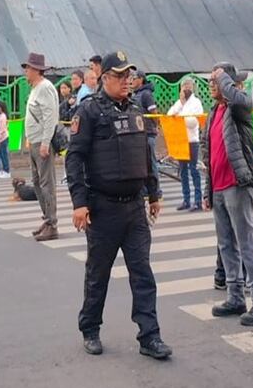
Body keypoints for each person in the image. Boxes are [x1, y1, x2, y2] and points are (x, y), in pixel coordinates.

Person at [65, 50, 172, 360]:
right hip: (103, 209)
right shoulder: (89, 112)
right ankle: (90, 328)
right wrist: (79, 203)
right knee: (98, 273)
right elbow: (74, 159)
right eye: (121, 76)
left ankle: (150, 336)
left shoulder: (137, 109)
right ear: (105, 78)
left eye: (130, 76)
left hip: (134, 209)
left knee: (143, 273)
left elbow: (146, 156)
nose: (127, 81)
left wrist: (153, 194)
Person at [202, 63, 253, 326]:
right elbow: (208, 153)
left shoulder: (238, 108)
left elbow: (242, 99)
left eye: (216, 81)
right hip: (219, 187)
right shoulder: (215, 112)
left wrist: (225, 81)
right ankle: (235, 296)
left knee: (247, 243)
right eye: (211, 81)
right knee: (226, 245)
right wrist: (207, 190)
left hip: (237, 185)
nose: (212, 85)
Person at [23, 52, 60, 241]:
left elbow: (49, 116)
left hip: (42, 143)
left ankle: (52, 224)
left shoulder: (45, 88)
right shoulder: (35, 88)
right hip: (34, 141)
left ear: (37, 70)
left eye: (28, 68)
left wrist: (46, 142)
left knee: (46, 184)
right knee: (37, 182)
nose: (25, 71)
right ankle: (47, 219)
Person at [167, 78, 204, 212]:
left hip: (192, 140)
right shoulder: (179, 103)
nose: (186, 88)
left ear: (192, 88)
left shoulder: (196, 102)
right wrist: (180, 105)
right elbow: (170, 115)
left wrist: (180, 117)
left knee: (193, 170)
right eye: (184, 86)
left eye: (188, 86)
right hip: (180, 141)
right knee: (182, 171)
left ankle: (198, 201)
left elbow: (193, 122)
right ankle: (186, 199)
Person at [131, 70, 160, 188]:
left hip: (148, 133)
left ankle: (156, 190)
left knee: (151, 163)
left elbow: (154, 113)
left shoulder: (146, 94)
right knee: (142, 164)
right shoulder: (136, 94)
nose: (131, 80)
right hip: (139, 133)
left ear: (141, 79)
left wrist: (155, 126)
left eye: (134, 78)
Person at [0, 101, 11, 179]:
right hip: (2, 138)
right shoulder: (1, 116)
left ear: (1, 108)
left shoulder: (3, 116)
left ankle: (6, 171)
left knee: (3, 154)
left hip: (3, 138)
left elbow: (2, 128)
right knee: (1, 154)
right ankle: (4, 170)